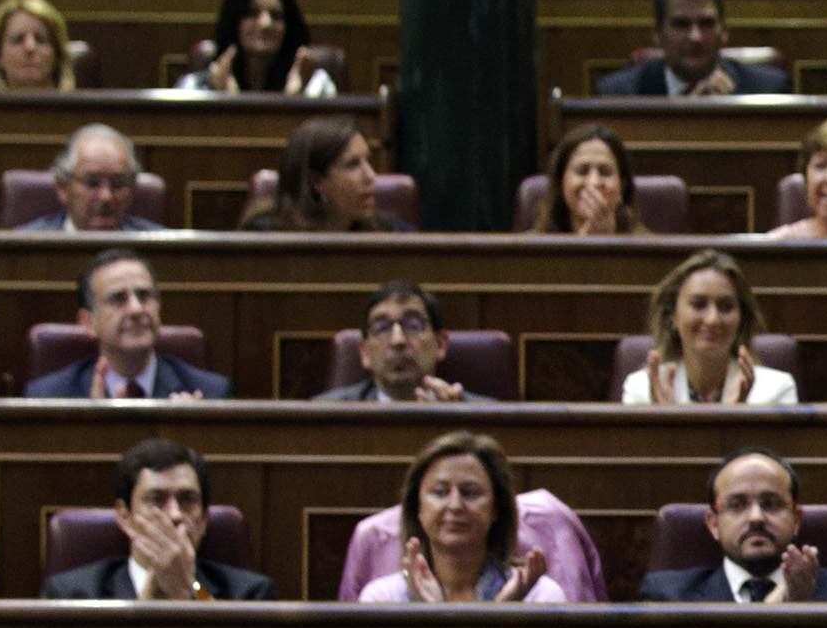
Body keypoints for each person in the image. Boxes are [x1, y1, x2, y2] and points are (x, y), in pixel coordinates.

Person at [40, 437, 275, 601]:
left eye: (187, 500)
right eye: (156, 500)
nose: (174, 515)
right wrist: (147, 600)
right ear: (125, 517)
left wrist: (190, 587)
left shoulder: (250, 593)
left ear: (204, 519)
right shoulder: (71, 593)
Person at [362, 430, 571, 605]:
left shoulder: (538, 596)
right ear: (418, 508)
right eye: (440, 492)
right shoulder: (383, 598)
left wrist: (505, 613)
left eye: (470, 493)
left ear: (496, 508)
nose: (455, 506)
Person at [638, 447, 827, 602]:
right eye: (737, 505)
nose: (756, 517)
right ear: (714, 524)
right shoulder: (668, 596)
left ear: (796, 519)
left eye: (771, 504)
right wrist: (779, 604)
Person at [26, 252, 230, 401]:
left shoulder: (210, 393)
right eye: (118, 299)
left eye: (144, 296)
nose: (136, 309)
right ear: (88, 322)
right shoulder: (49, 397)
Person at [626, 249, 798, 405]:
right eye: (698, 304)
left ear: (741, 318)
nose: (712, 320)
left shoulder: (777, 389)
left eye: (726, 306)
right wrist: (665, 421)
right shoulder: (641, 389)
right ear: (672, 316)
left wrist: (737, 418)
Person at [594, 0, 791, 97]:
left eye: (706, 23)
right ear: (658, 34)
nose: (695, 37)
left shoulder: (769, 89)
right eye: (681, 24)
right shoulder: (619, 93)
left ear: (724, 31)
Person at [315, 281, 486, 403]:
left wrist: (456, 428)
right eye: (382, 328)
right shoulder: (326, 415)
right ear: (364, 352)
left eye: (413, 325)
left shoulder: (483, 417)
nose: (398, 340)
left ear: (440, 344)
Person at [179, 0, 331, 96]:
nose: (265, 24)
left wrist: (295, 99)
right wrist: (224, 100)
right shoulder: (195, 87)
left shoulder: (316, 86)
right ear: (234, 21)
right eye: (252, 13)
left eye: (276, 15)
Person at [240, 117, 387, 232]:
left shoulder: (386, 231)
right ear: (316, 181)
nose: (371, 176)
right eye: (352, 165)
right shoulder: (265, 235)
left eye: (368, 160)